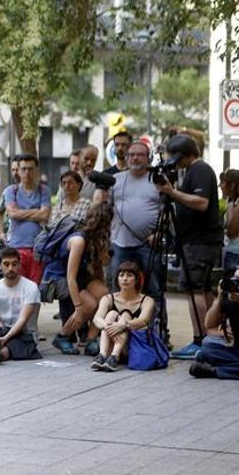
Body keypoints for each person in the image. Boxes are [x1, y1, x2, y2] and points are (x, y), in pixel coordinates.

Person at [156, 134, 223, 359]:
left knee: (196, 290)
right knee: (201, 289)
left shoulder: (200, 170)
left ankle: (201, 340)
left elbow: (202, 203)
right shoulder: (193, 171)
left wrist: (172, 193)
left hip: (199, 243)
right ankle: (209, 337)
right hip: (195, 242)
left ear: (182, 154)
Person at [44, 202, 113, 356]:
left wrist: (103, 255)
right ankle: (62, 336)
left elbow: (98, 271)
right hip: (60, 277)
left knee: (104, 296)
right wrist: (78, 308)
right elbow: (71, 278)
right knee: (89, 305)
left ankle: (90, 339)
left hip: (80, 275)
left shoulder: (95, 239)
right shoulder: (78, 241)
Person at [108, 140, 162, 324]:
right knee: (118, 289)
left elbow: (168, 212)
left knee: (153, 289)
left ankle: (157, 332)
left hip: (148, 245)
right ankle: (117, 330)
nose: (135, 158)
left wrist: (159, 234)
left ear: (148, 158)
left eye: (140, 154)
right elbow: (104, 208)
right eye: (131, 154)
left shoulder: (156, 180)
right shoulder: (116, 179)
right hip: (120, 243)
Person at [0, 247, 43, 364]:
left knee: (15, 344)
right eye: (6, 264)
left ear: (19, 265)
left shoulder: (31, 287)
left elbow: (23, 320)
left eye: (14, 264)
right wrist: (2, 335)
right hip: (1, 331)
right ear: (0, 265)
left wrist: (5, 338)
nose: (10, 268)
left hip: (24, 333)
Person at [91, 261, 157, 372]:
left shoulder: (147, 300)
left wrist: (123, 325)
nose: (124, 279)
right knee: (111, 314)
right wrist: (108, 327)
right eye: (121, 275)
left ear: (137, 280)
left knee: (126, 315)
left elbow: (144, 320)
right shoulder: (108, 298)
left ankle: (114, 356)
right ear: (117, 278)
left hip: (132, 347)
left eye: (129, 275)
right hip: (109, 343)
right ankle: (102, 355)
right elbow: (96, 318)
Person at [2, 154, 50, 284]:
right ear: (18, 170)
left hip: (38, 247)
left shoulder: (43, 190)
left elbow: (45, 214)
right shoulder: (11, 191)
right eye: (23, 169)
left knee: (34, 289)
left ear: (36, 170)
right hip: (16, 246)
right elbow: (12, 214)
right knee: (17, 286)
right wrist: (36, 211)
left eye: (30, 169)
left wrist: (20, 212)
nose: (27, 172)